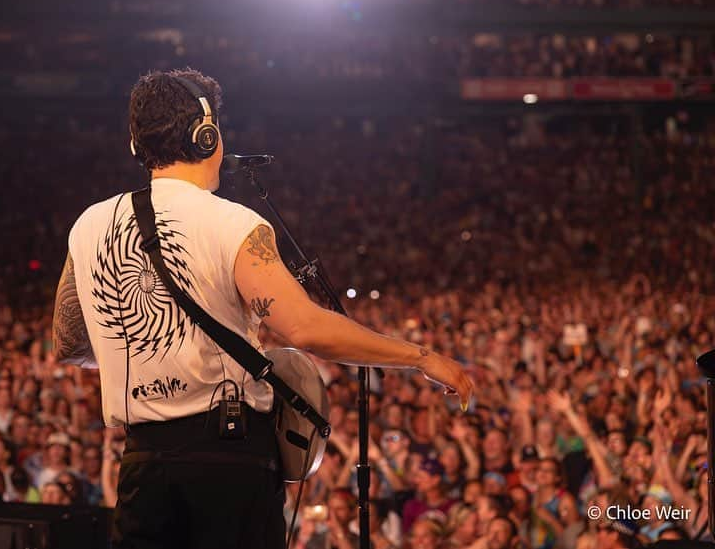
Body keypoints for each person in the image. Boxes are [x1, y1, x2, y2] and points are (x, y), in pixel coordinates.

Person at [52, 68, 475, 549]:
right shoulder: (233, 223)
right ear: (205, 134)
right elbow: (305, 328)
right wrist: (421, 357)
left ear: (136, 144)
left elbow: (70, 344)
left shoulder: (89, 225)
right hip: (226, 461)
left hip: (141, 464)